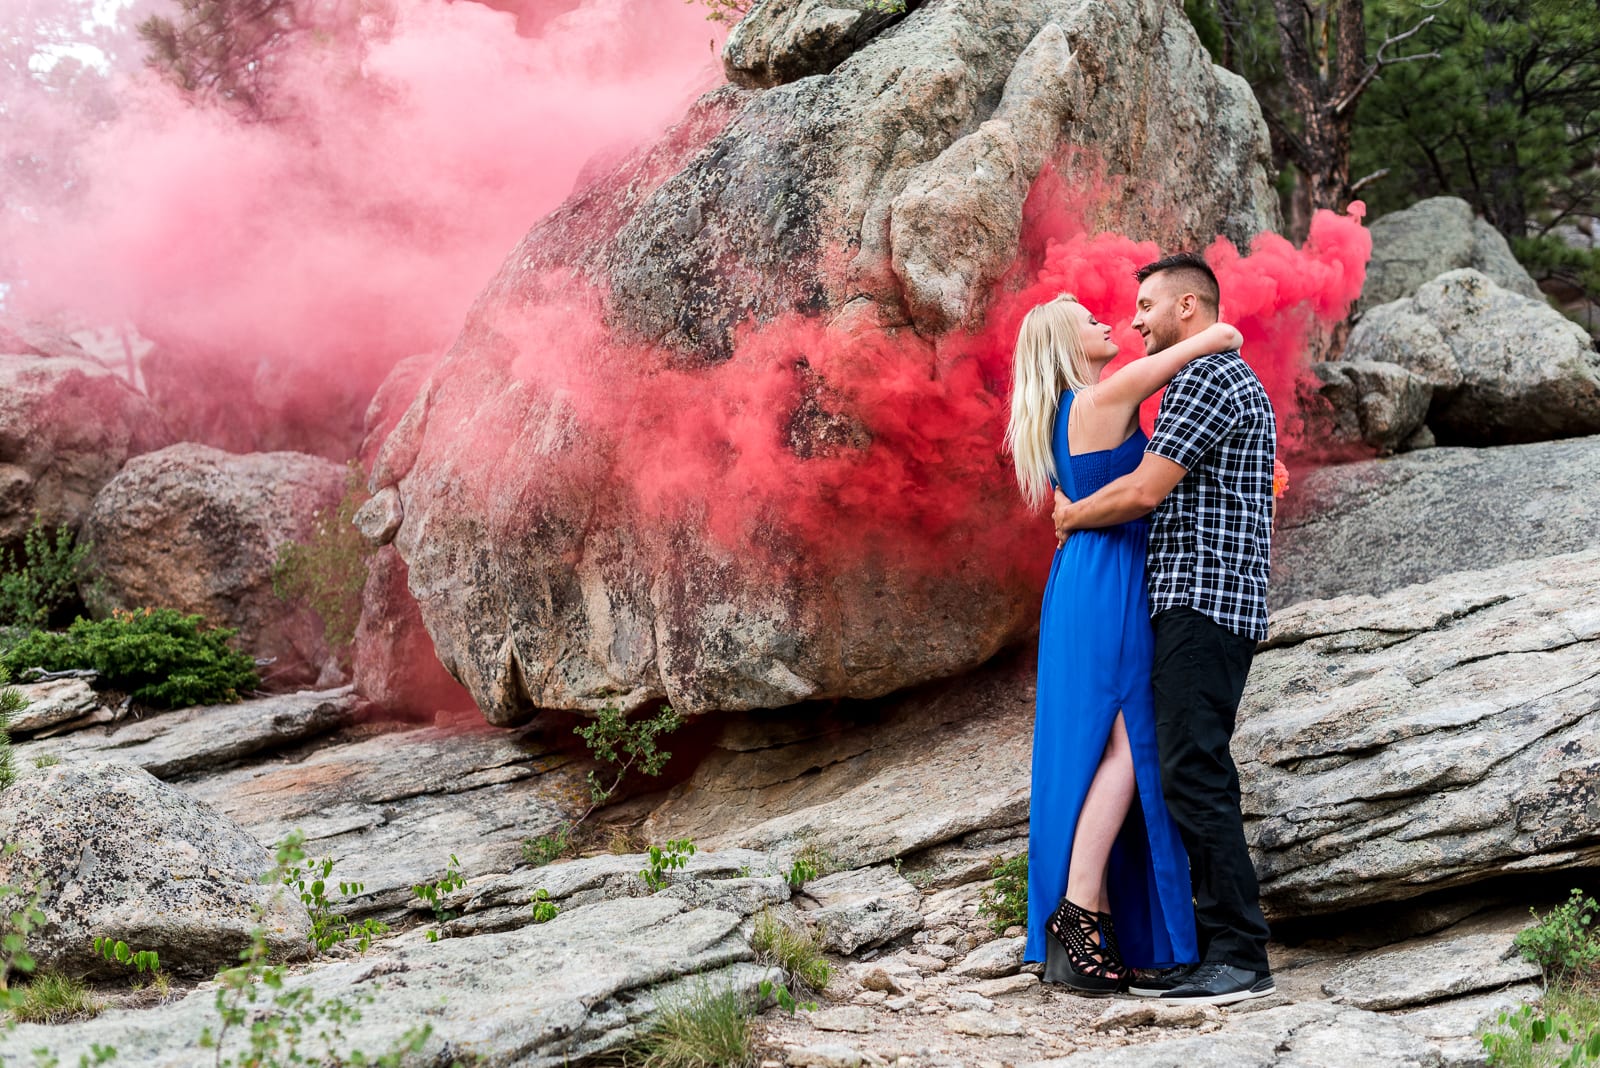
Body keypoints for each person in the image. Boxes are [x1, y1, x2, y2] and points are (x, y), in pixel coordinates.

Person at [1052, 252, 1277, 1006]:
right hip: (1201, 604)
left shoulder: (1208, 378)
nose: (1136, 318)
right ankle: (1213, 949)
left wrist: (1073, 515)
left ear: (1189, 308)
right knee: (1188, 770)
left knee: (1193, 772)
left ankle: (1240, 957)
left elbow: (1147, 489)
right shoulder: (1197, 377)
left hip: (1204, 605)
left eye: (1147, 305)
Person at [1005, 290, 1243, 995]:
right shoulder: (1100, 398)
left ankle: (1092, 921)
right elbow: (1213, 338)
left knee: (1103, 748)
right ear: (1066, 343)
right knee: (1127, 750)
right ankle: (1077, 915)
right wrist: (1208, 327)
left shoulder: (1059, 417)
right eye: (1089, 320)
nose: (1106, 323)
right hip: (1110, 578)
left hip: (1084, 577)